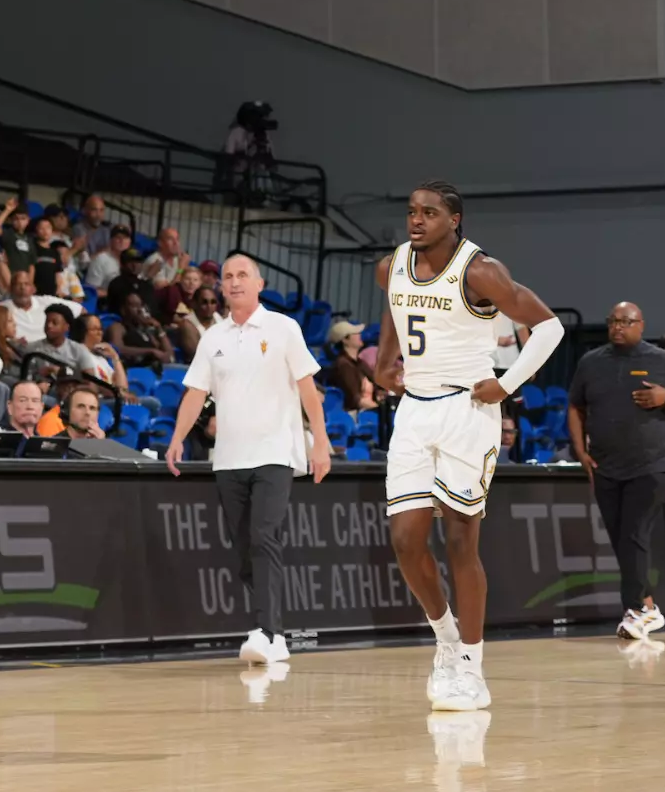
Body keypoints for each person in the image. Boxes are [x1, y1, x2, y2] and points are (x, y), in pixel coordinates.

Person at [373, 181, 566, 711]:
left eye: (429, 213)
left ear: (454, 219)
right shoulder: (391, 266)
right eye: (411, 211)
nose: (417, 220)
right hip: (414, 409)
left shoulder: (480, 271)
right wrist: (384, 358)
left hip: (468, 410)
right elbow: (394, 309)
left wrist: (508, 384)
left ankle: (473, 668)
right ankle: (446, 641)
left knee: (461, 541)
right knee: (406, 540)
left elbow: (549, 328)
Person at [166, 255, 332, 666]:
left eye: (243, 275)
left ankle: (269, 632)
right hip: (228, 458)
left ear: (259, 283)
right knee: (244, 549)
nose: (235, 282)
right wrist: (177, 439)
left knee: (264, 538)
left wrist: (320, 441)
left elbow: (308, 389)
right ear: (221, 286)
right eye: (228, 277)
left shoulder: (283, 328)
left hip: (274, 452)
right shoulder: (213, 337)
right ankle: (269, 629)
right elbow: (194, 393)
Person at [564, 301, 665, 642]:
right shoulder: (591, 362)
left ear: (641, 325)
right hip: (607, 465)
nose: (618, 327)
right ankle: (649, 606)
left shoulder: (663, 361)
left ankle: (637, 610)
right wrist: (581, 450)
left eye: (626, 321)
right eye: (613, 321)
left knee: (634, 532)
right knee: (622, 538)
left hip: (653, 464)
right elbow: (575, 406)